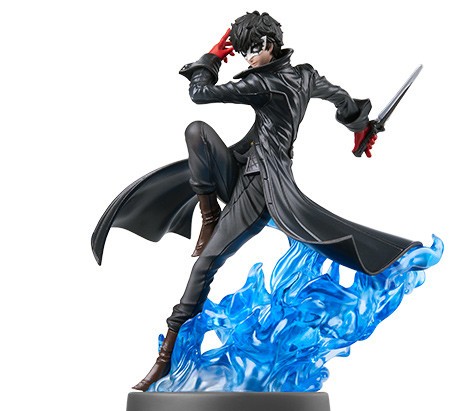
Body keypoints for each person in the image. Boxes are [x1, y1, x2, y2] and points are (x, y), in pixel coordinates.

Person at [91, 11, 420, 391]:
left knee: (205, 266)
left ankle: (165, 360)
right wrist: (359, 128)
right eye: (242, 51)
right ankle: (209, 215)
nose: (246, 57)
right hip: (244, 170)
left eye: (251, 49)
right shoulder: (305, 76)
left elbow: (199, 94)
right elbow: (341, 98)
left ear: (268, 44)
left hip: (261, 187)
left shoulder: (259, 84)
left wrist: (211, 58)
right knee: (197, 133)